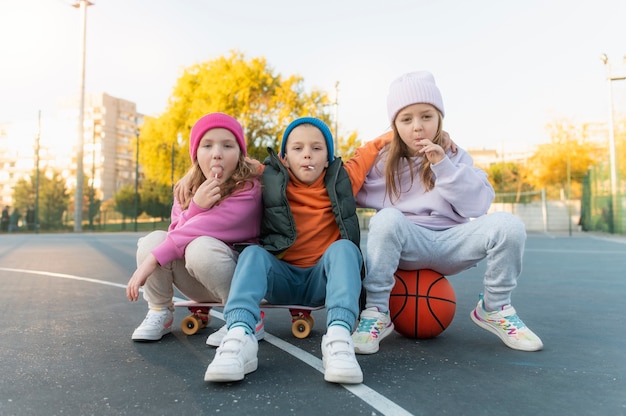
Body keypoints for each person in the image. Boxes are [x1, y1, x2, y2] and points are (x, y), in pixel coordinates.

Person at [351, 71, 543, 355]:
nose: (418, 127)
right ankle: (377, 311)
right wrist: (377, 144)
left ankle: (495, 308)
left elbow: (477, 206)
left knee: (509, 226)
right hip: (409, 244)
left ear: (440, 118)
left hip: (451, 242)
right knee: (386, 219)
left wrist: (443, 165)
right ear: (394, 126)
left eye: (426, 116)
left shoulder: (456, 156)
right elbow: (346, 189)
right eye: (406, 119)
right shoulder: (384, 164)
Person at [203, 117, 389, 384]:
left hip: (322, 281)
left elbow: (369, 151)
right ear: (284, 158)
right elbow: (233, 164)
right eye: (298, 148)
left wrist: (399, 132)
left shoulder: (342, 179)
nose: (307, 155)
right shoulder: (267, 177)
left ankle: (338, 338)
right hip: (281, 279)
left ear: (328, 158)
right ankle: (240, 337)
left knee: (345, 249)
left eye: (316, 148)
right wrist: (191, 182)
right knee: (253, 254)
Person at [126, 112, 263, 342]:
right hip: (196, 281)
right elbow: (176, 235)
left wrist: (197, 209)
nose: (217, 154)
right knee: (153, 241)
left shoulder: (249, 189)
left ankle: (245, 316)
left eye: (228, 145)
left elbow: (200, 228)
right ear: (196, 154)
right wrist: (195, 204)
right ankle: (160, 311)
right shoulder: (187, 189)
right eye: (207, 145)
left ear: (240, 153)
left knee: (200, 247)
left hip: (239, 283)